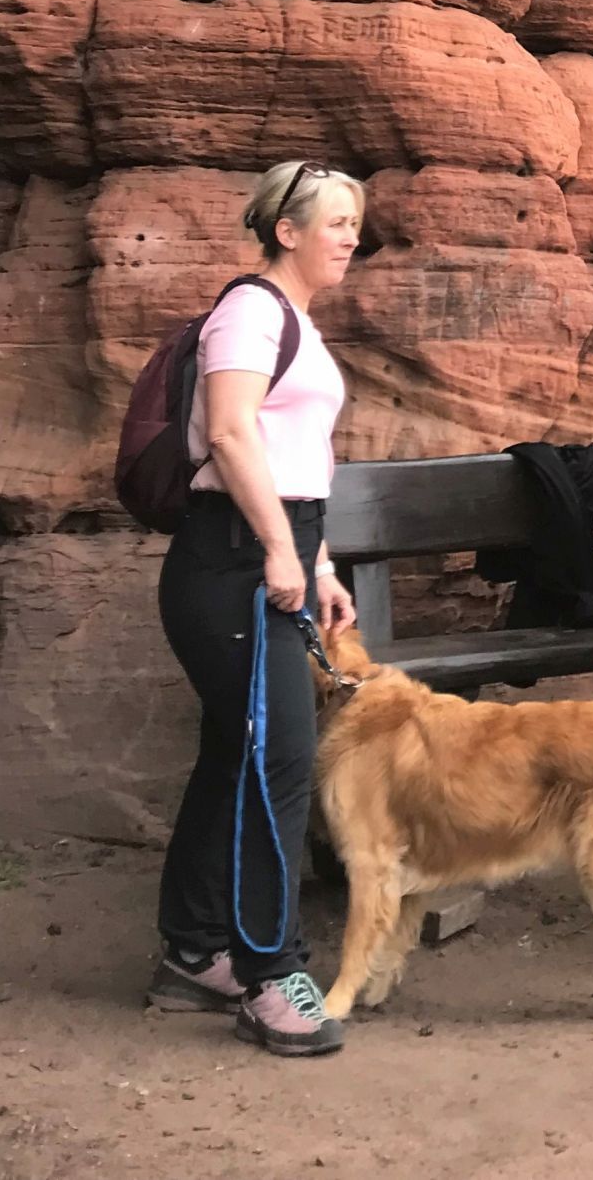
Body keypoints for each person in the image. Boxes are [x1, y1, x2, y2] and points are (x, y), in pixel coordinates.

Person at [150, 159, 363, 1058]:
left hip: (269, 554)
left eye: (357, 221)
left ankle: (192, 951)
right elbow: (233, 432)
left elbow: (289, 457)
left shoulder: (298, 325)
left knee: (234, 758)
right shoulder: (248, 310)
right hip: (228, 561)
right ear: (287, 229)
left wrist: (315, 559)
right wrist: (280, 550)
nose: (351, 235)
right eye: (338, 220)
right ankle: (272, 973)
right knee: (279, 762)